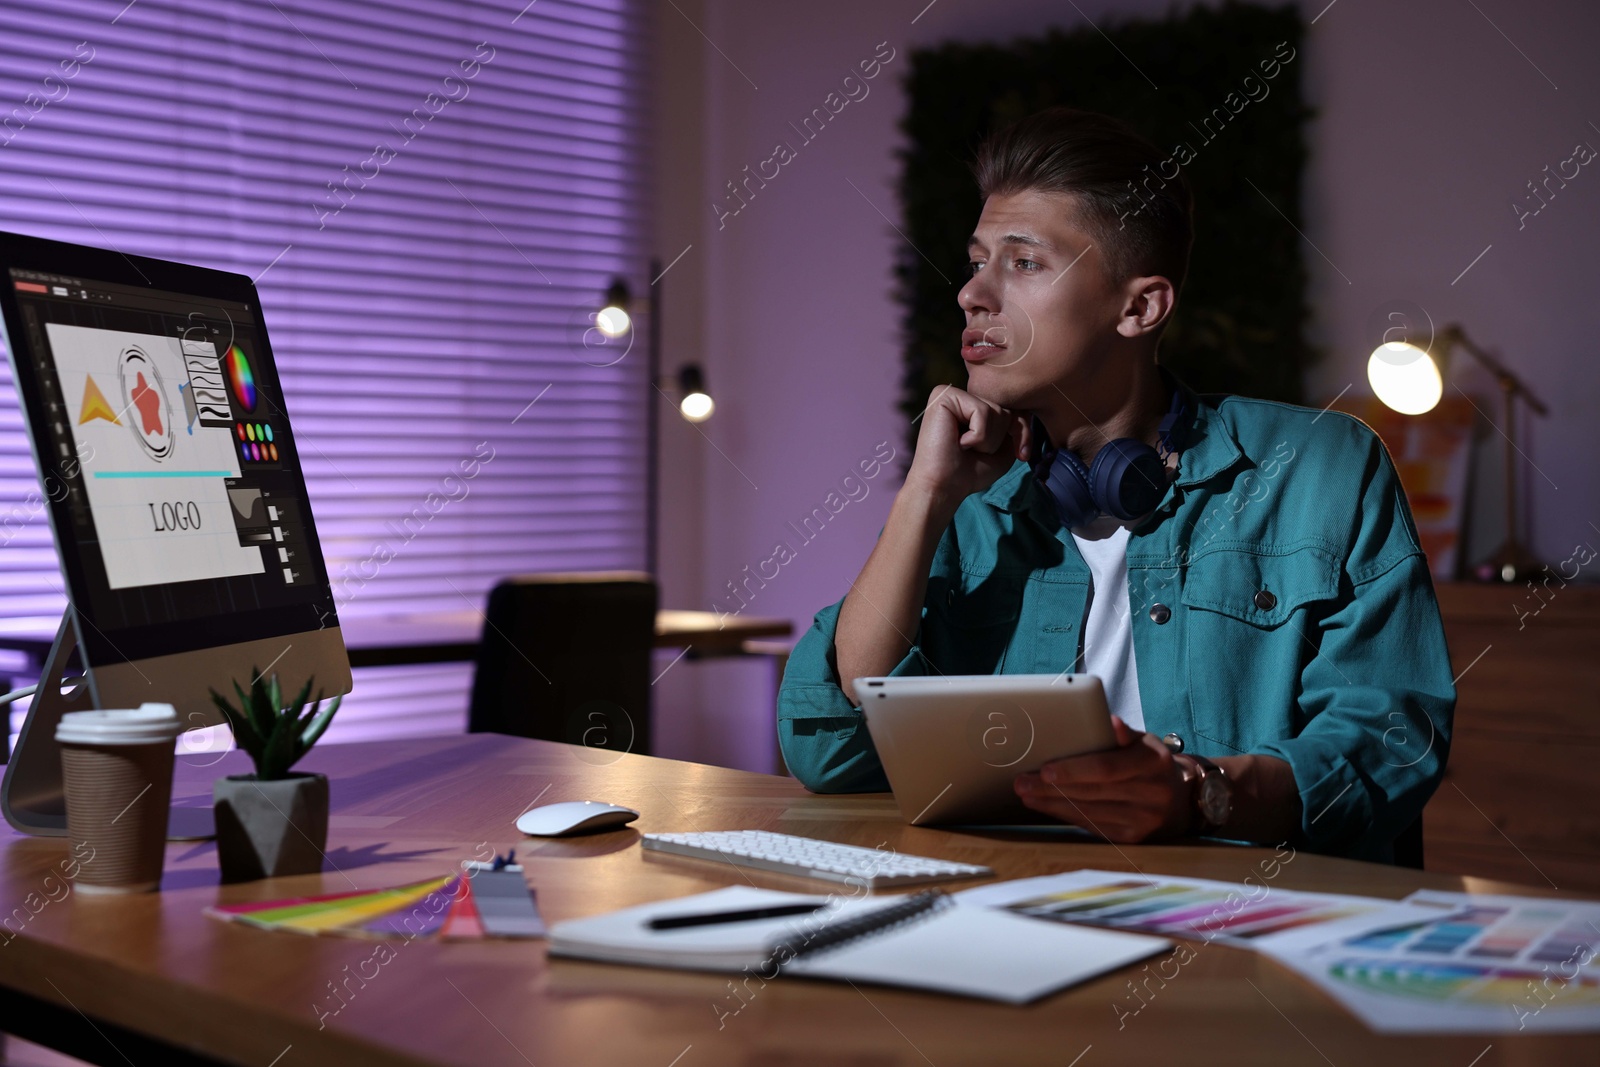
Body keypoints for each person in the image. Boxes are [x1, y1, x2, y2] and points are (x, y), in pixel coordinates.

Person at [776, 107, 1455, 862]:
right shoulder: (973, 500)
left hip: (1255, 938)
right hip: (1026, 916)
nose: (973, 293)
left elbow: (1392, 738)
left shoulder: (1322, 465)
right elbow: (834, 752)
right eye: (975, 261)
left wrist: (1204, 794)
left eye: (1023, 263)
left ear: (1139, 306)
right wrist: (924, 497)